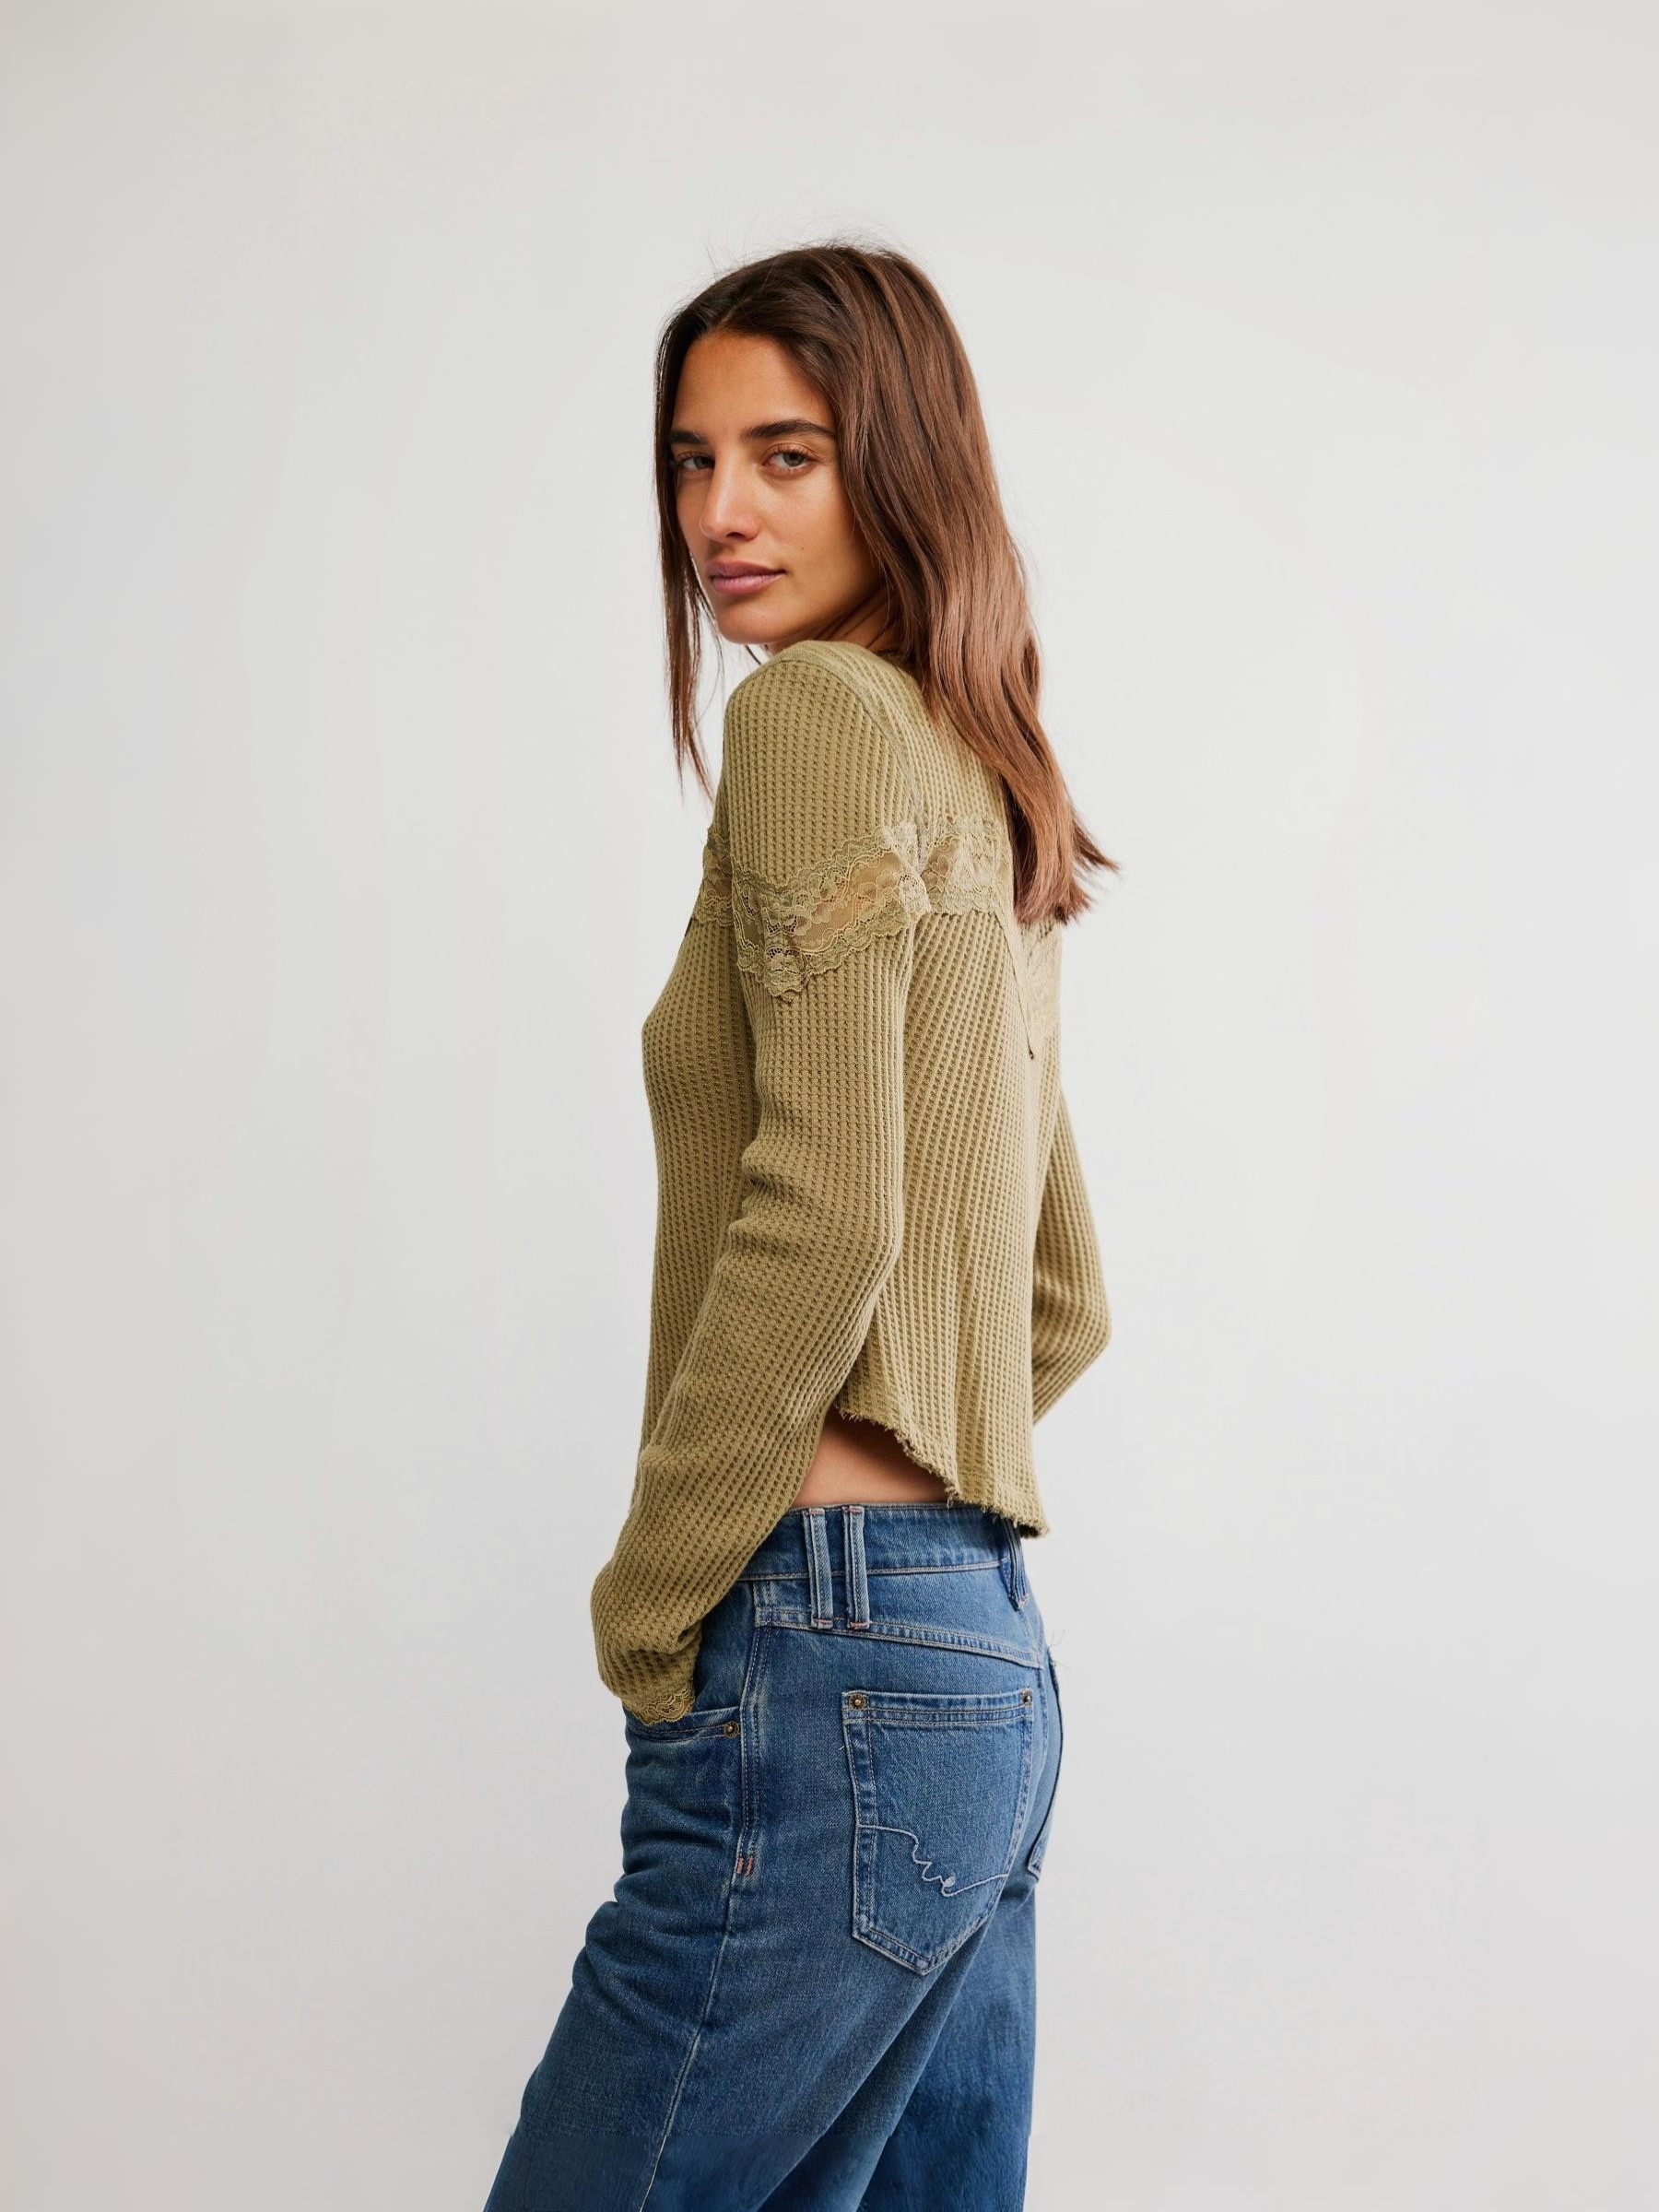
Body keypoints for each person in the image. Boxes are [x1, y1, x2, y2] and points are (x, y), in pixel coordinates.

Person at [482, 239, 1115, 2211]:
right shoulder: (980, 766)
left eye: (785, 455)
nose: (719, 515)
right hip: (982, 1667)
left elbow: (828, 1215)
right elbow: (1062, 1295)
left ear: (898, 464)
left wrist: (660, 1596)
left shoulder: (817, 722)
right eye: (691, 461)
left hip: (825, 1653)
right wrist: (916, 1551)